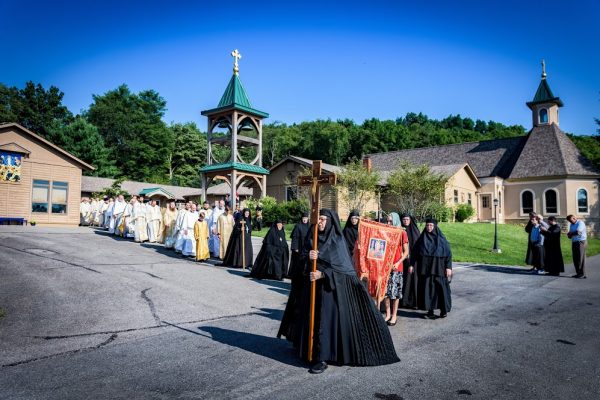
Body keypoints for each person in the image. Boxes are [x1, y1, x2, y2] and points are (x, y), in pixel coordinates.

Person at [277, 209, 399, 374]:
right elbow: (299, 264)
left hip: (330, 291)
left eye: (322, 219)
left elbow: (344, 272)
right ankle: (308, 350)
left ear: (330, 221)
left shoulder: (337, 241)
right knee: (310, 319)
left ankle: (322, 357)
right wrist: (308, 258)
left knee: (324, 323)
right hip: (311, 288)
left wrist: (323, 273)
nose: (319, 222)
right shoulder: (311, 238)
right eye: (318, 219)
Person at [412, 218, 452, 319]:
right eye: (427, 225)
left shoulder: (441, 240)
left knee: (441, 290)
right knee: (428, 290)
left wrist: (448, 267)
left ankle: (443, 310)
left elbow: (448, 254)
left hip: (439, 269)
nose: (429, 227)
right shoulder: (422, 239)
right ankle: (430, 310)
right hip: (426, 270)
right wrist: (411, 264)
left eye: (431, 226)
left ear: (435, 226)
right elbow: (414, 252)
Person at [384, 212, 409, 326]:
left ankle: (394, 315)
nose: (388, 223)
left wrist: (398, 262)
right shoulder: (386, 232)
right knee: (386, 292)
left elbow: (406, 252)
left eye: (390, 221)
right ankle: (388, 314)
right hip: (385, 267)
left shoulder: (402, 232)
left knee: (395, 293)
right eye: (387, 221)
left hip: (396, 267)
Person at [400, 213, 420, 309]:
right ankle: (403, 301)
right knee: (403, 280)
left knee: (413, 280)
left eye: (407, 219)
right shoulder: (400, 230)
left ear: (410, 220)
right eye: (404, 219)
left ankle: (414, 302)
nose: (406, 221)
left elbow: (418, 246)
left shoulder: (415, 231)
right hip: (402, 260)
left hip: (414, 260)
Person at [289, 213, 310, 280]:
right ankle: (295, 276)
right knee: (297, 262)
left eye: (306, 218)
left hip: (306, 248)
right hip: (299, 247)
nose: (304, 220)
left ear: (308, 219)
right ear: (302, 219)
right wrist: (295, 247)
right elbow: (295, 238)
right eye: (303, 218)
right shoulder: (298, 226)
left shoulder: (309, 226)